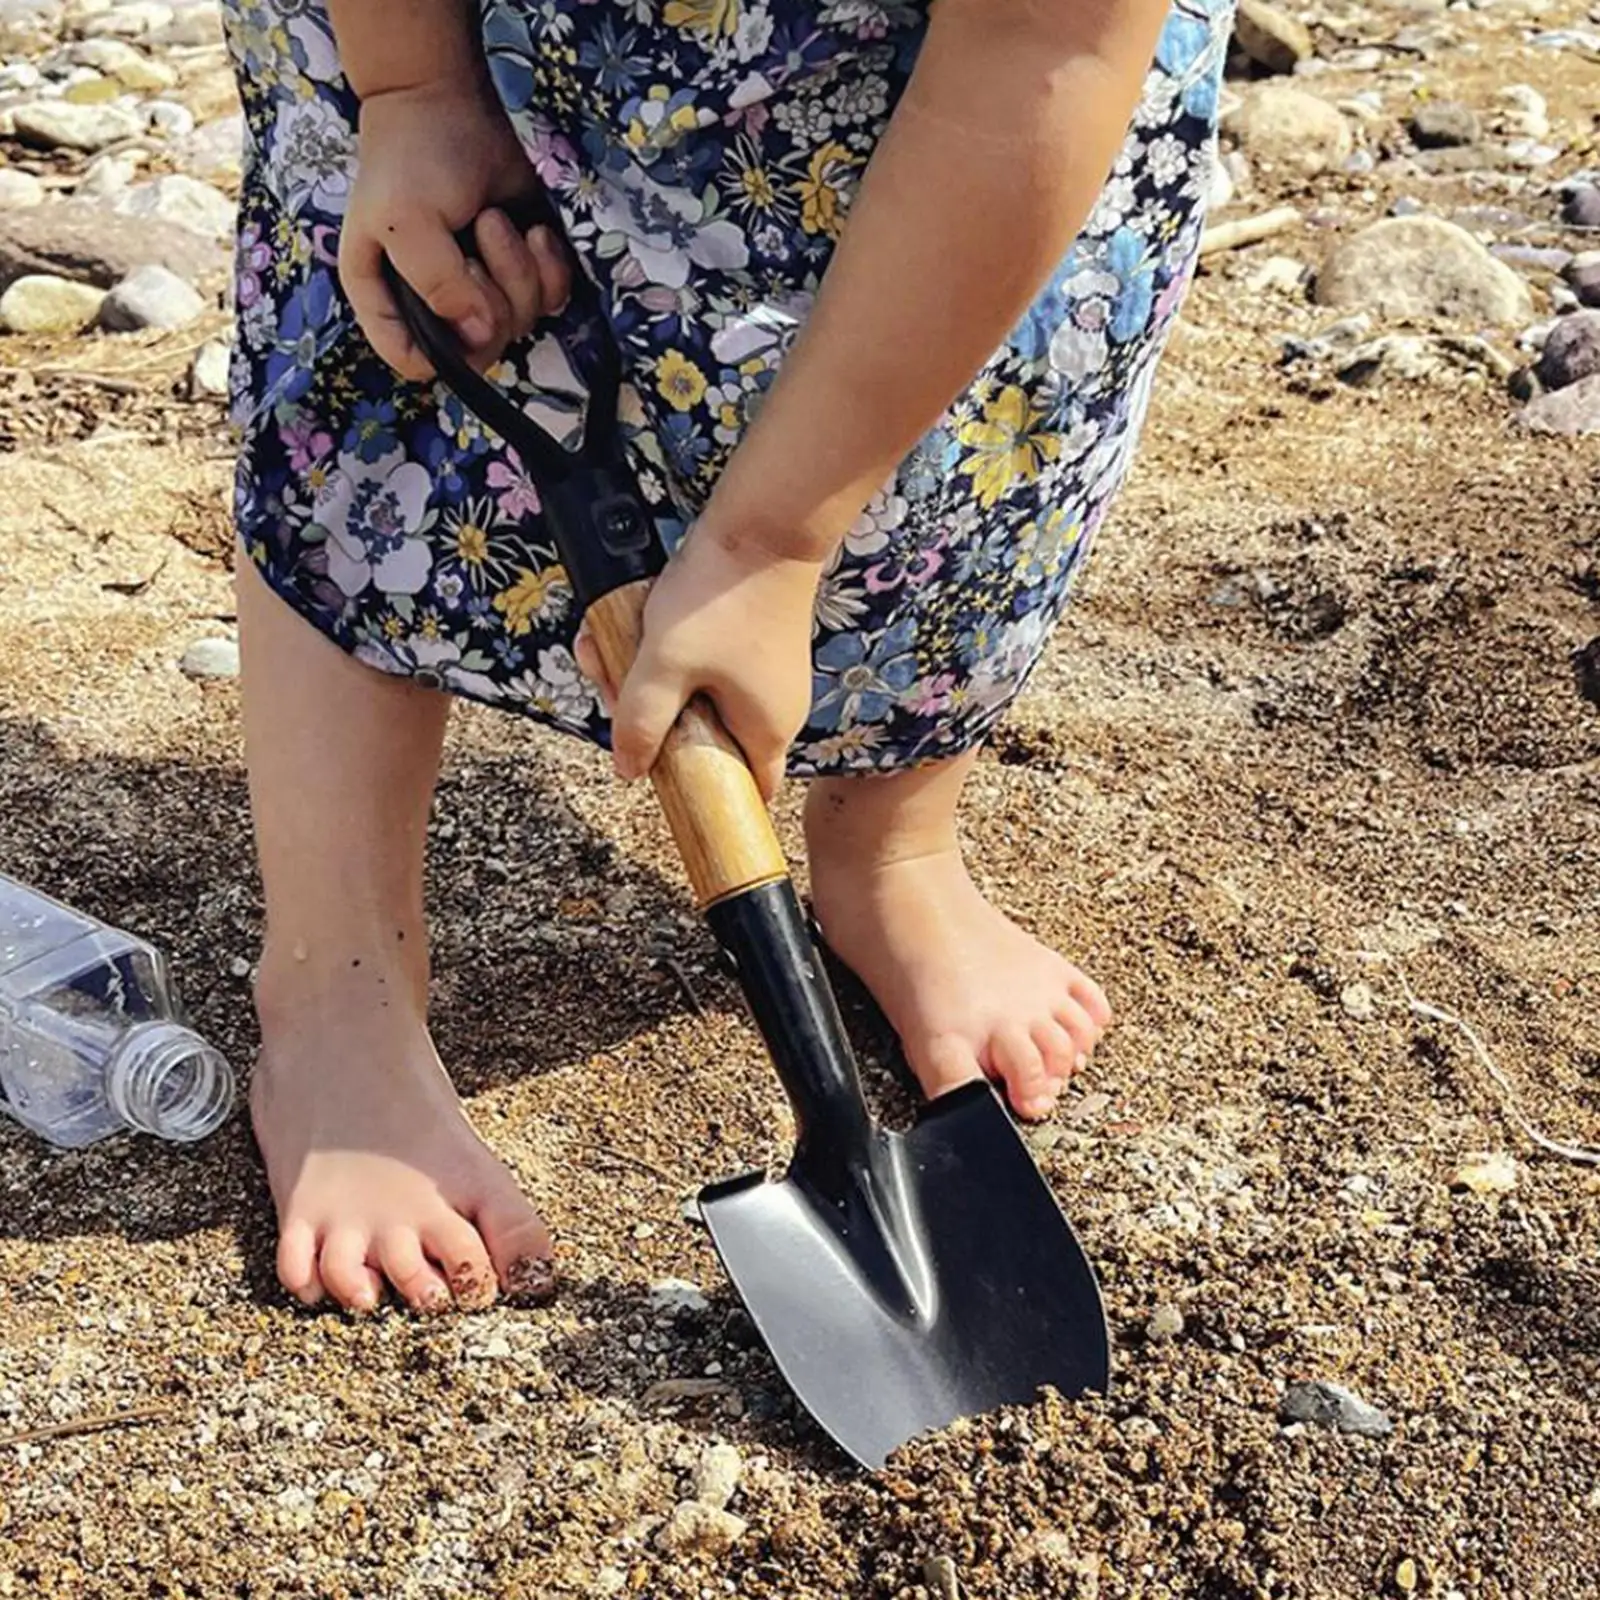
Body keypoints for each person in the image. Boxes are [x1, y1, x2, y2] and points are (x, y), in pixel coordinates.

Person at [223, 0, 1233, 1314]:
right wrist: (414, 88)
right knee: (394, 383)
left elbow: (1046, 42)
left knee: (952, 464)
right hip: (449, 46)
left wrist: (766, 548)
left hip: (967, 72)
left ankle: (894, 851)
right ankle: (335, 986)